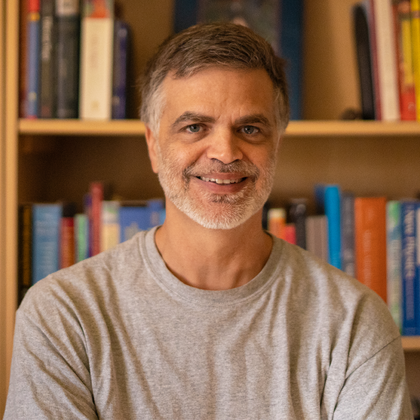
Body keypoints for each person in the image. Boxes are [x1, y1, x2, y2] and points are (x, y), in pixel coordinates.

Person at [4, 23, 412, 419]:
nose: (225, 152)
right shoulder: (62, 315)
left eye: (250, 128)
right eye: (195, 127)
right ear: (153, 145)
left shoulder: (354, 321)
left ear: (277, 145)